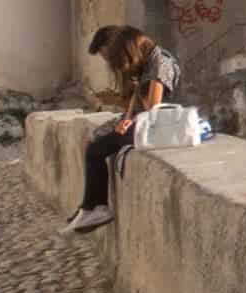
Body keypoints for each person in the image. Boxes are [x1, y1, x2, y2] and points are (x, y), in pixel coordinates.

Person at [64, 26, 183, 235]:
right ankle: (89, 206)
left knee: (96, 149)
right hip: (141, 122)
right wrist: (127, 119)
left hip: (156, 126)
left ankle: (94, 207)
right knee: (93, 144)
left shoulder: (160, 64)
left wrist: (127, 109)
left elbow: (152, 109)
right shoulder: (147, 62)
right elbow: (135, 102)